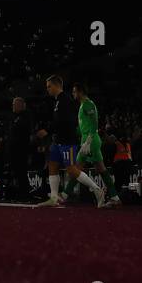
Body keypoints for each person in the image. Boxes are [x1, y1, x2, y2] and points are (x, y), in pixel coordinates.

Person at [37, 74, 103, 208]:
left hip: (67, 141)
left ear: (56, 86)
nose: (48, 89)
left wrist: (48, 131)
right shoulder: (57, 101)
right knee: (52, 165)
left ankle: (97, 190)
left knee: (72, 169)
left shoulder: (65, 100)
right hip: (58, 140)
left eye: (49, 86)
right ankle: (54, 197)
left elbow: (66, 122)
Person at [63, 83, 120, 206]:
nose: (73, 94)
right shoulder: (83, 105)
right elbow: (85, 126)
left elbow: (94, 124)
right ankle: (115, 196)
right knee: (99, 169)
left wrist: (88, 141)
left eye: (74, 91)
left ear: (80, 92)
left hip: (90, 141)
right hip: (89, 139)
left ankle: (64, 195)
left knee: (76, 169)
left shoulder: (88, 104)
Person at [6, 96, 34, 201]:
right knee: (16, 172)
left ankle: (24, 194)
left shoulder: (27, 116)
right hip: (13, 150)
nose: (13, 106)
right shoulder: (13, 117)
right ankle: (17, 193)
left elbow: (27, 133)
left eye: (15, 104)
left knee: (21, 172)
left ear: (20, 105)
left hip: (22, 149)